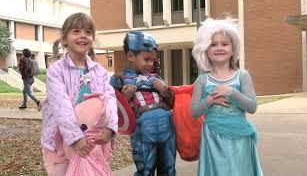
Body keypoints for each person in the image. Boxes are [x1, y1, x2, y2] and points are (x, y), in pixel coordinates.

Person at [41, 12, 118, 175]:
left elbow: (109, 100)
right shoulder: (56, 71)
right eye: (76, 31)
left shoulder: (100, 71)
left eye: (88, 32)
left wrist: (110, 127)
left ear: (93, 38)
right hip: (60, 143)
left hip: (93, 142)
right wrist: (75, 138)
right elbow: (61, 106)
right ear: (64, 38)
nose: (83, 36)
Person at [190, 18, 263, 176]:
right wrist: (209, 101)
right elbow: (194, 111)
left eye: (224, 44)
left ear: (233, 48)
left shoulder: (242, 76)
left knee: (239, 171)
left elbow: (252, 107)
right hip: (213, 138)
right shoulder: (202, 80)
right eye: (213, 44)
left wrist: (232, 92)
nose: (219, 48)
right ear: (205, 50)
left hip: (239, 139)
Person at [110, 31, 176, 176]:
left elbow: (173, 103)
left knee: (169, 169)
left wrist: (165, 90)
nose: (150, 64)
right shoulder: (119, 79)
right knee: (145, 170)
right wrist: (124, 97)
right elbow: (110, 112)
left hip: (167, 128)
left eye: (153, 60)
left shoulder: (157, 77)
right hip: (143, 131)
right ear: (131, 56)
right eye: (147, 59)